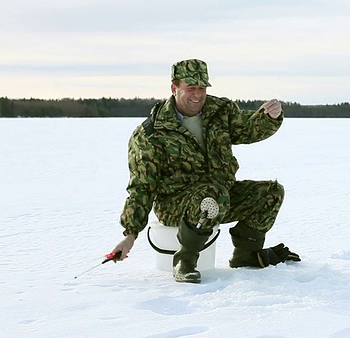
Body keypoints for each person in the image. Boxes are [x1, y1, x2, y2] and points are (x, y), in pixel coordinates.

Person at [111, 58, 300, 283]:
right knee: (213, 195)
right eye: (190, 88)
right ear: (174, 88)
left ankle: (246, 255)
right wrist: (130, 235)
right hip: (176, 205)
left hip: (220, 196)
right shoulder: (151, 134)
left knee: (270, 193)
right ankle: (185, 261)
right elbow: (141, 187)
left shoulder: (219, 111)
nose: (198, 95)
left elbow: (248, 129)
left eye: (202, 88)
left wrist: (270, 117)